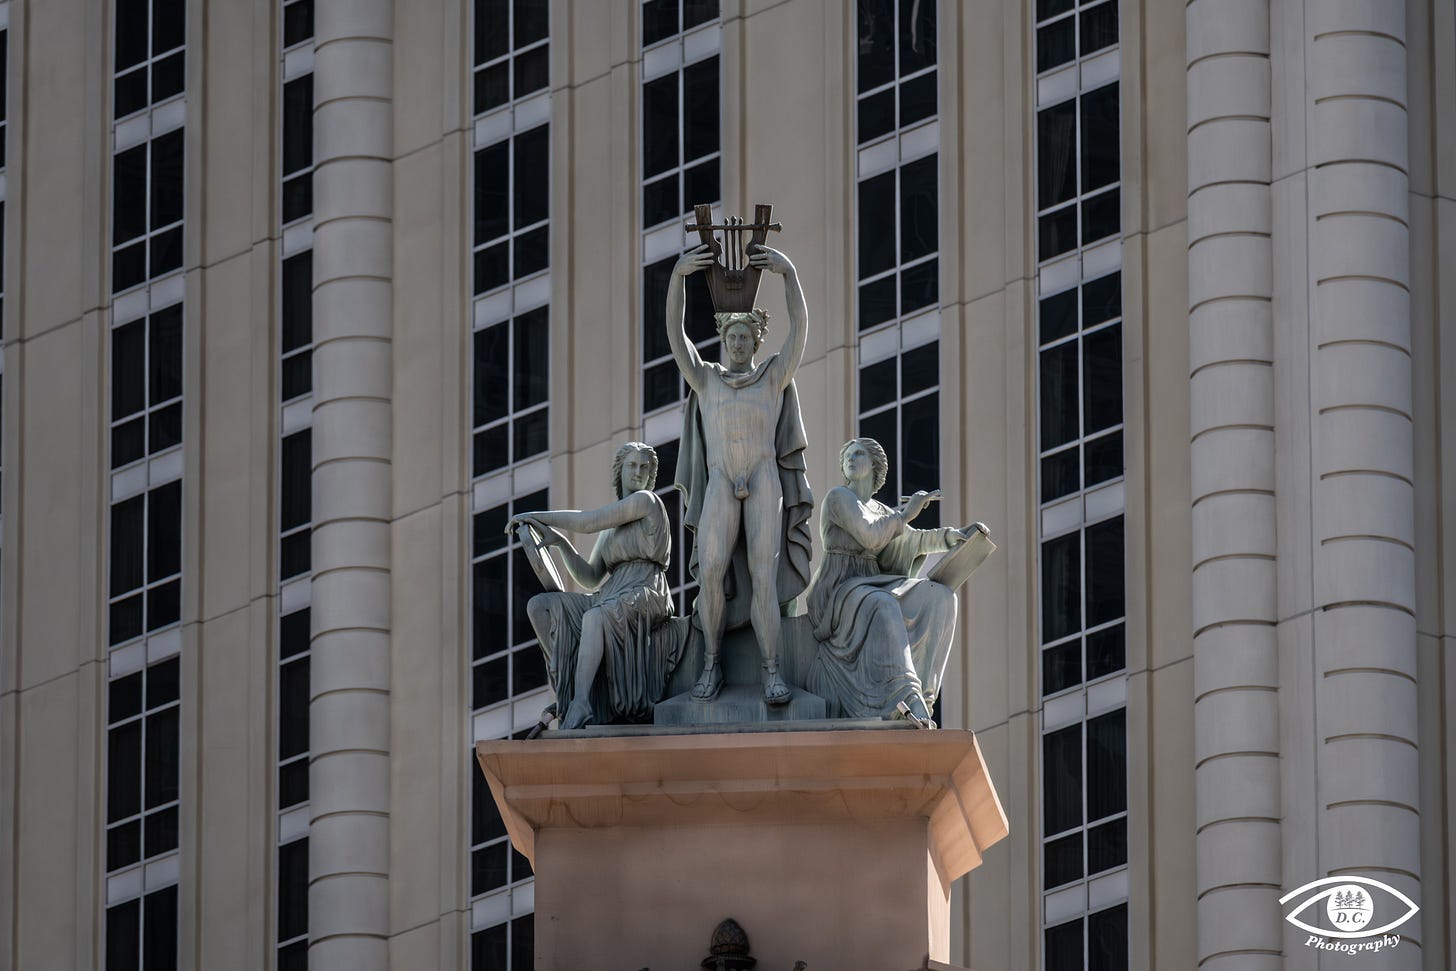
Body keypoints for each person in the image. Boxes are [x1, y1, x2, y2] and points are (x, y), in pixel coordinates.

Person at [667, 243, 812, 705]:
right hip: (720, 481)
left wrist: (789, 273)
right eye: (731, 336)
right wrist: (677, 279)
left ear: (757, 340)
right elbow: (675, 335)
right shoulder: (705, 378)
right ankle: (711, 663)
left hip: (763, 476)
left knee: (762, 575)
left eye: (746, 337)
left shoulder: (773, 376)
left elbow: (800, 330)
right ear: (722, 339)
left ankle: (772, 672)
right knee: (709, 571)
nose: (738, 343)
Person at [804, 438, 980, 723]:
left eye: (859, 454)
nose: (851, 458)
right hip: (839, 589)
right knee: (882, 604)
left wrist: (954, 536)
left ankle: (924, 696)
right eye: (847, 455)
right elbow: (870, 535)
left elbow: (913, 539)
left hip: (871, 584)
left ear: (874, 465)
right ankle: (906, 696)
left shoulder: (882, 511)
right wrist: (907, 512)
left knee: (943, 598)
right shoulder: (839, 498)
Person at [508, 442, 682, 729]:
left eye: (644, 467)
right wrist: (562, 544)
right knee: (539, 606)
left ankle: (582, 702)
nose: (638, 472)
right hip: (612, 592)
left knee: (595, 617)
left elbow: (588, 522)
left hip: (644, 590)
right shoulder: (613, 529)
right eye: (631, 466)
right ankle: (567, 679)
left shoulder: (647, 502)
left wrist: (537, 517)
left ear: (651, 475)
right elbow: (589, 577)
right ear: (620, 471)